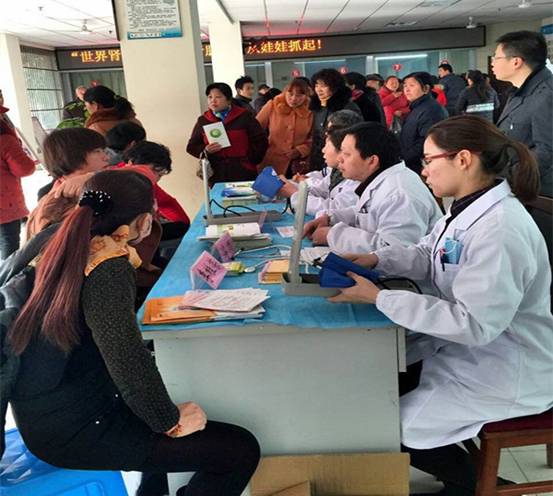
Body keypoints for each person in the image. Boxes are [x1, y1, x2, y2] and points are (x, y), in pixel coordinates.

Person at [329, 115, 553, 496]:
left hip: (505, 366)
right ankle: (466, 477)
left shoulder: (501, 229)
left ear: (463, 159)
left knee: (395, 425)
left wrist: (379, 297)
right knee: (377, 384)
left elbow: (473, 324)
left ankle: (472, 485)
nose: (423, 170)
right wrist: (377, 259)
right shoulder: (465, 208)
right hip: (467, 351)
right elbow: (428, 252)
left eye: (429, 160)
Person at [8, 169, 260, 496]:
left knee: (163, 445)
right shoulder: (107, 263)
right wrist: (169, 420)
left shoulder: (59, 236)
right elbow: (125, 356)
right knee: (238, 451)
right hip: (76, 426)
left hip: (47, 408)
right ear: (142, 222)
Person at [303, 122, 441, 254]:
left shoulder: (400, 194)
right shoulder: (380, 180)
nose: (340, 159)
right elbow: (367, 213)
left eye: (346, 154)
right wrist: (331, 219)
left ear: (372, 161)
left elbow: (394, 252)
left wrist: (333, 236)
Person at [492, 30, 552, 197]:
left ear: (516, 62)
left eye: (496, 57)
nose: (492, 63)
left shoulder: (547, 95)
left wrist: (504, 178)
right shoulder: (520, 91)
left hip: (537, 194)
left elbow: (547, 153)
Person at [279, 109, 363, 216]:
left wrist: (294, 193)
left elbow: (334, 210)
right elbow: (323, 189)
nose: (323, 150)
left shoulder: (356, 178)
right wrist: (292, 186)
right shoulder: (337, 172)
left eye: (328, 142)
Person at [187, 82, 268, 184]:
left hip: (243, 171)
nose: (213, 100)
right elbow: (191, 147)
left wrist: (250, 159)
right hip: (217, 173)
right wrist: (206, 150)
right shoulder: (204, 120)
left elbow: (261, 141)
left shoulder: (244, 116)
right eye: (210, 97)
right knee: (219, 194)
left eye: (218, 97)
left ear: (229, 99)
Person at [255, 78, 312, 176]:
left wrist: (301, 150)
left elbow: (315, 138)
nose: (294, 98)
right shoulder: (273, 105)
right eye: (290, 94)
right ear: (285, 92)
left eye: (299, 96)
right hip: (272, 161)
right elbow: (255, 129)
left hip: (299, 164)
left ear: (306, 96)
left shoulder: (311, 111)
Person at [0, 105, 35, 260]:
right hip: (5, 207)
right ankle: (7, 274)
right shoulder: (5, 141)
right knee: (8, 245)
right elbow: (24, 168)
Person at [309, 68, 361, 171]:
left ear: (335, 87)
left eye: (323, 86)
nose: (319, 90)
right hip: (319, 158)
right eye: (316, 85)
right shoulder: (318, 107)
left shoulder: (347, 107)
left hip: (339, 159)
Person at [400, 72, 448, 174]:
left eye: (412, 85)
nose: (407, 90)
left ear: (426, 88)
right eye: (405, 86)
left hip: (422, 168)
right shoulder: (417, 107)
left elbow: (427, 141)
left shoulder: (431, 110)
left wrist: (404, 158)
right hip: (412, 164)